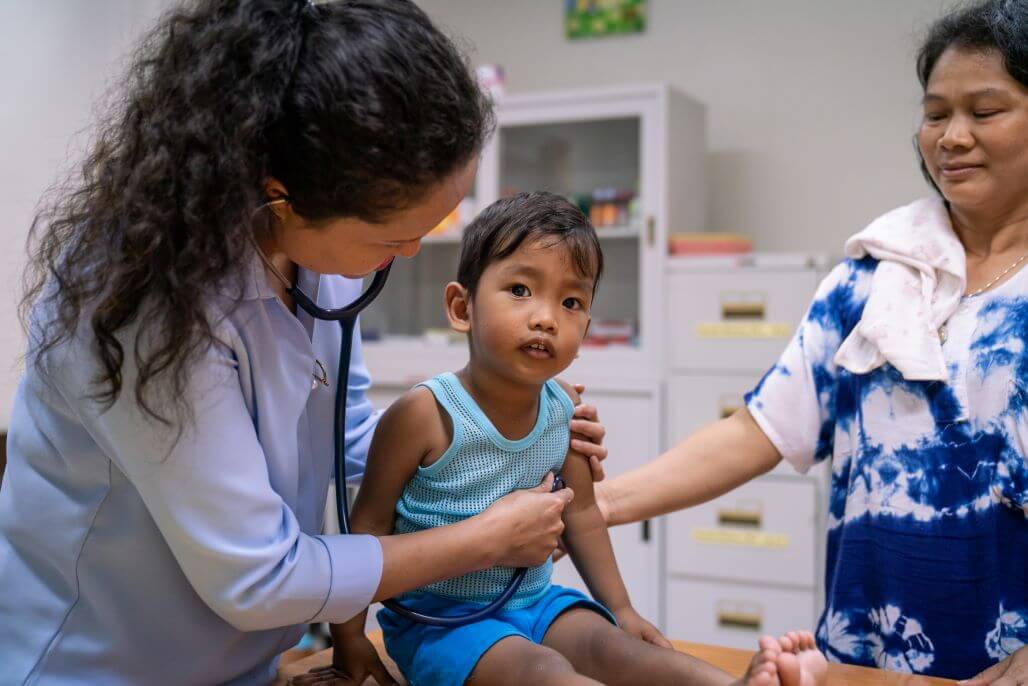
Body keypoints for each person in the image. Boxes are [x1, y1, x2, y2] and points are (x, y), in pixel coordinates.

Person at [0, 2, 609, 684]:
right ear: (280, 197)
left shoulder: (315, 254)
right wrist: (485, 538)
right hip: (98, 666)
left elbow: (349, 444)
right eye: (392, 236)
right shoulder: (140, 298)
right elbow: (261, 576)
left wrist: (495, 438)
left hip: (246, 665)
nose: (410, 252)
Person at [592, 0, 1028, 682]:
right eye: (936, 113)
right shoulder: (871, 279)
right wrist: (596, 509)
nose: (952, 137)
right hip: (864, 664)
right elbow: (759, 430)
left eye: (986, 110)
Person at [294, 192, 829, 686]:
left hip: (536, 602)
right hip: (444, 624)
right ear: (461, 308)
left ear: (586, 329)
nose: (546, 318)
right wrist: (349, 640)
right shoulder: (422, 414)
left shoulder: (564, 410)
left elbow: (584, 514)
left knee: (615, 647)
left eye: (571, 302)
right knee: (542, 670)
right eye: (520, 290)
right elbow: (365, 531)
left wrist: (622, 610)